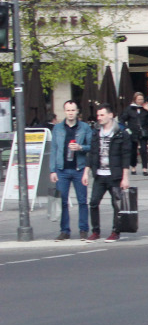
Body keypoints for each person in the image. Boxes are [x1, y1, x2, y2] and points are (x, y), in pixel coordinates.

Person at [82, 105, 132, 242]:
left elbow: (126, 156)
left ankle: (115, 231)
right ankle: (95, 231)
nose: (99, 118)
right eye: (98, 115)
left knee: (116, 204)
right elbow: (91, 154)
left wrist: (125, 177)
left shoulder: (121, 133)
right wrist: (86, 172)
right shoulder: (96, 133)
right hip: (99, 174)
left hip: (114, 174)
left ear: (110, 115)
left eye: (102, 115)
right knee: (93, 202)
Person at [48, 100, 93, 241]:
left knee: (82, 201)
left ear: (77, 111)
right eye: (68, 110)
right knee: (62, 202)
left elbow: (92, 146)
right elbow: (54, 149)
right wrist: (52, 170)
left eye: (73, 110)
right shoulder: (58, 128)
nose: (70, 113)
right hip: (62, 169)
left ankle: (83, 229)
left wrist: (81, 147)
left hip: (79, 168)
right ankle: (64, 230)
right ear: (64, 111)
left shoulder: (84, 127)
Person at [122, 92, 148, 176]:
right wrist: (126, 129)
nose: (140, 101)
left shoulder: (145, 108)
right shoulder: (129, 109)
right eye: (138, 99)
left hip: (143, 132)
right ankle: (133, 167)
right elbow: (122, 119)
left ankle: (145, 169)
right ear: (135, 99)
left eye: (142, 99)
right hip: (132, 132)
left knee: (143, 150)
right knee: (133, 151)